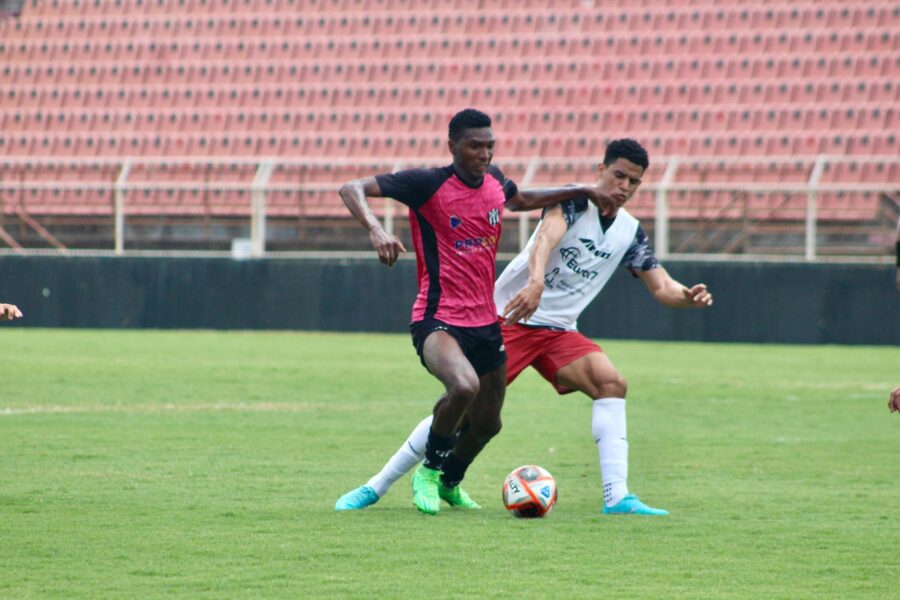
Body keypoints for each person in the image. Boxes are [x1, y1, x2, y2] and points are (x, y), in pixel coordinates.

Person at [336, 138, 714, 516]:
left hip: (559, 330)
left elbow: (662, 286)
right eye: (619, 175)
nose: (624, 187)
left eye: (634, 182)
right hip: (509, 317)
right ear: (601, 171)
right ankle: (377, 486)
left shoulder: (630, 232)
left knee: (611, 383)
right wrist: (536, 283)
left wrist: (687, 295)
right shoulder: (571, 204)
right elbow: (544, 242)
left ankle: (617, 497)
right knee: (464, 404)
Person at [338, 108, 616, 515]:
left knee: (489, 423)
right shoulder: (426, 183)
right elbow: (351, 188)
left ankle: (450, 483)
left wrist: (584, 190)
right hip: (437, 319)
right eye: (474, 146)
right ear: (453, 146)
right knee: (464, 387)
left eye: (489, 146)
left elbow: (521, 199)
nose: (484, 154)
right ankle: (429, 472)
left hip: (486, 320)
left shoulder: (494, 183)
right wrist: (376, 229)